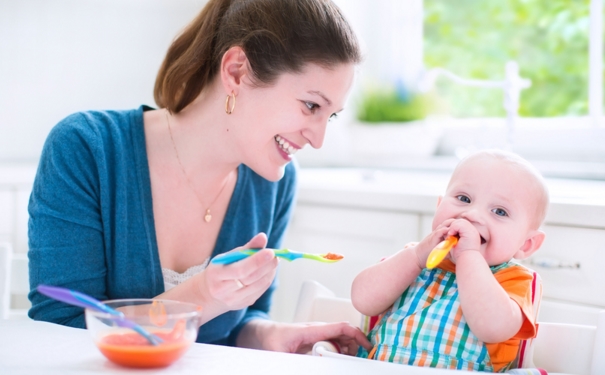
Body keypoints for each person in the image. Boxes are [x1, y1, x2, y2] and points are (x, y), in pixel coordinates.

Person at [28, 0, 371, 354]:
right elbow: (61, 335)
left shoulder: (276, 183)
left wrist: (270, 335)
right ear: (237, 71)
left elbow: (236, 325)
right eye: (311, 106)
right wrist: (203, 295)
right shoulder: (86, 150)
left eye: (329, 117)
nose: (318, 140)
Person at [351, 149, 550, 371]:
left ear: (526, 244)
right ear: (439, 206)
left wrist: (469, 256)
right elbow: (362, 300)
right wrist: (416, 257)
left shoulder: (514, 279)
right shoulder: (415, 259)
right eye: (463, 198)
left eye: (500, 212)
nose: (472, 214)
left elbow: (493, 328)